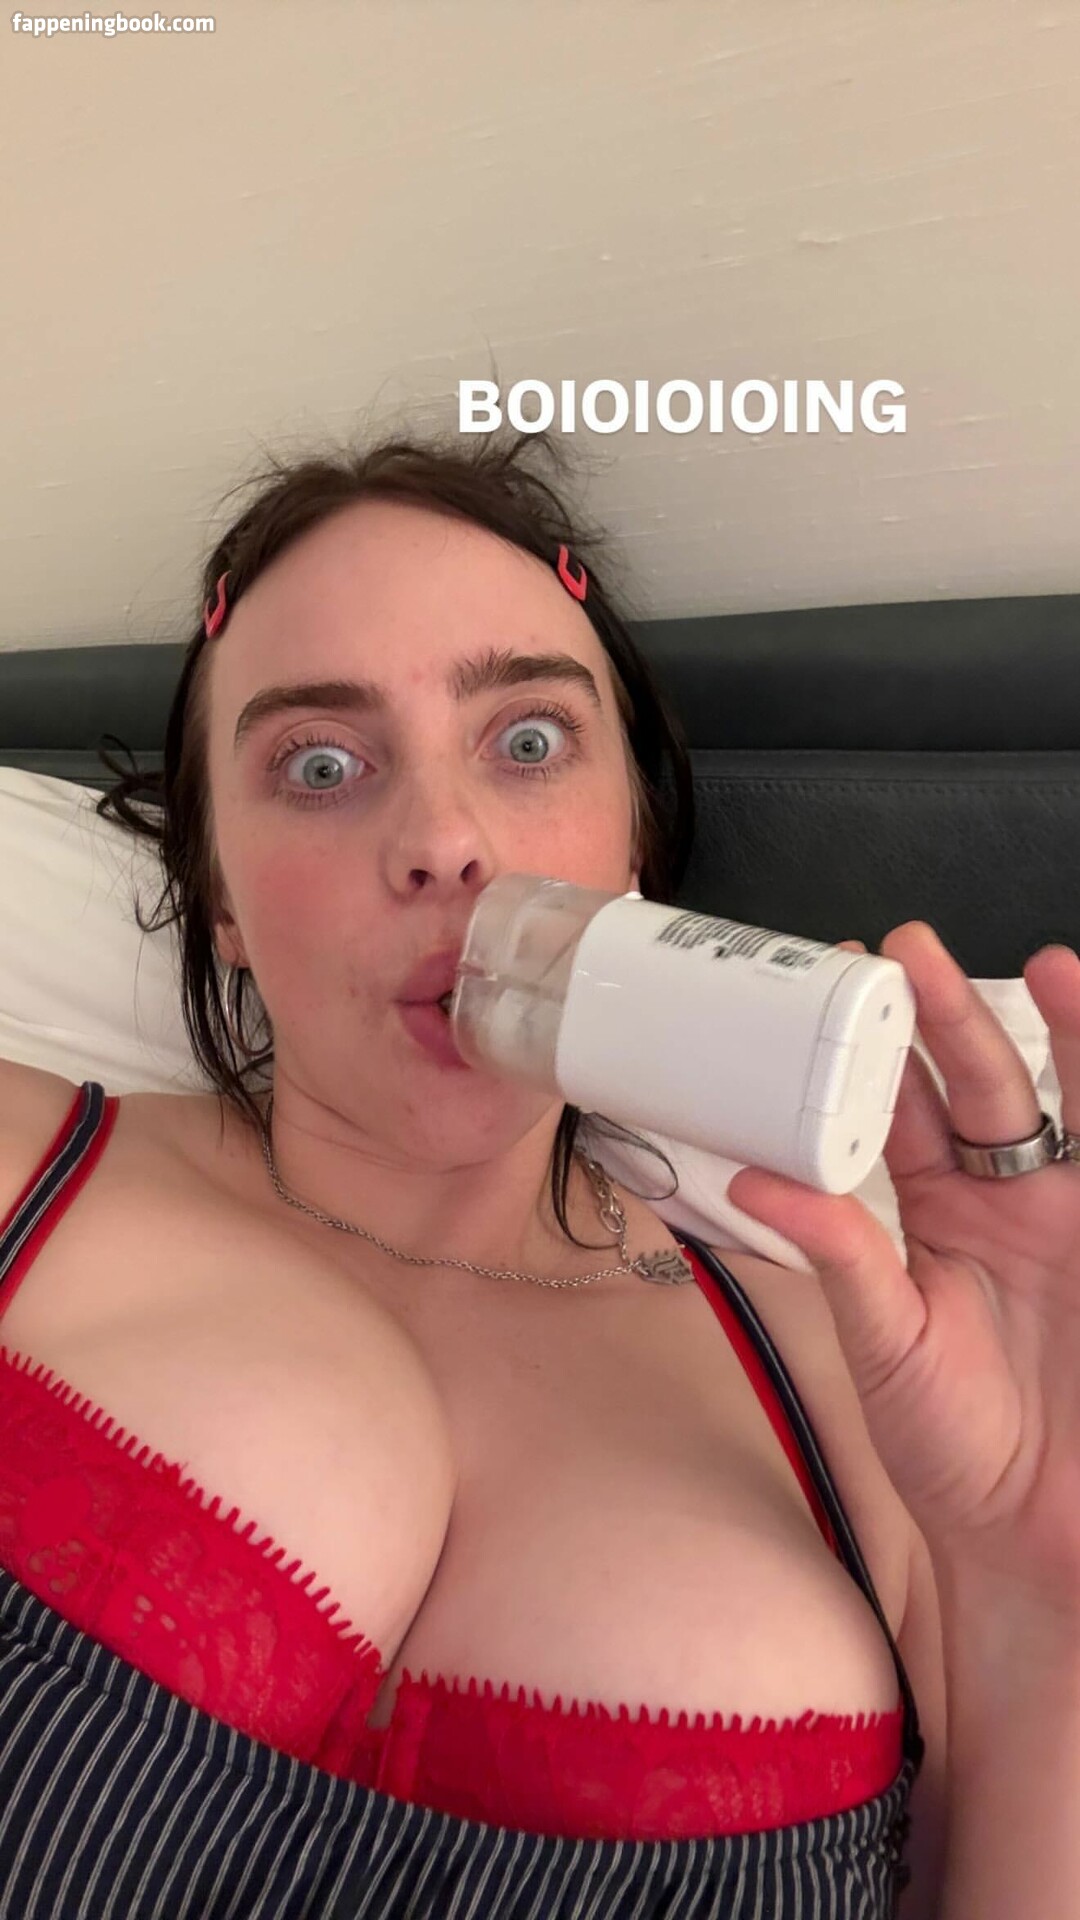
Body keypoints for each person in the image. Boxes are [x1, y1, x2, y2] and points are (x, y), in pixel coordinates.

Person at [0, 429, 1077, 1920]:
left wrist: (1037, 1580)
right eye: (321, 764)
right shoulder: (28, 1170)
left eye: (526, 743)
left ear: (631, 850)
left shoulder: (879, 1394)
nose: (445, 841)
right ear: (221, 900)